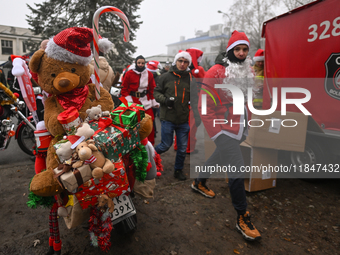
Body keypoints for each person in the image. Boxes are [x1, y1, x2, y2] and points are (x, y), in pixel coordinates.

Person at [191, 30, 261, 241]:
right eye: (237, 49)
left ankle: (199, 181)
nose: (241, 53)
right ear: (230, 51)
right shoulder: (216, 71)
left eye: (244, 49)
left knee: (220, 157)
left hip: (239, 129)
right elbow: (205, 105)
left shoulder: (247, 71)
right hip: (223, 130)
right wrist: (217, 134)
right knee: (237, 169)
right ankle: (242, 216)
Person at [154, 51, 200, 181]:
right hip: (168, 117)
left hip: (183, 119)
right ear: (176, 61)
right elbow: (156, 92)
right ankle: (149, 159)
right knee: (165, 145)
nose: (182, 64)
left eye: (186, 62)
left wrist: (197, 116)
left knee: (182, 149)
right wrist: (165, 100)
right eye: (180, 61)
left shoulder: (191, 79)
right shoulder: (165, 77)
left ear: (189, 64)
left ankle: (178, 170)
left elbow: (195, 99)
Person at [121, 55, 159, 145]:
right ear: (136, 63)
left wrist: (154, 101)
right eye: (139, 63)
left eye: (142, 63)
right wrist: (129, 103)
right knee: (133, 124)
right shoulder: (129, 73)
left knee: (150, 122)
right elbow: (124, 89)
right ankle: (134, 144)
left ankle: (150, 144)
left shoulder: (149, 74)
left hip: (146, 101)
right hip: (132, 101)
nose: (141, 65)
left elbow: (152, 89)